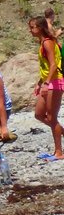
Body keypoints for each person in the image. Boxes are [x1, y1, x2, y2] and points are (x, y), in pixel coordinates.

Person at [29, 15, 64, 161]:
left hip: (55, 82)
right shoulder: (42, 43)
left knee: (51, 117)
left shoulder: (48, 43)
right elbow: (45, 67)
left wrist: (46, 83)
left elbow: (53, 65)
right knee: (39, 114)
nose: (30, 30)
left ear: (40, 28)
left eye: (32, 27)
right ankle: (61, 132)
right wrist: (40, 82)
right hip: (48, 81)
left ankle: (59, 152)